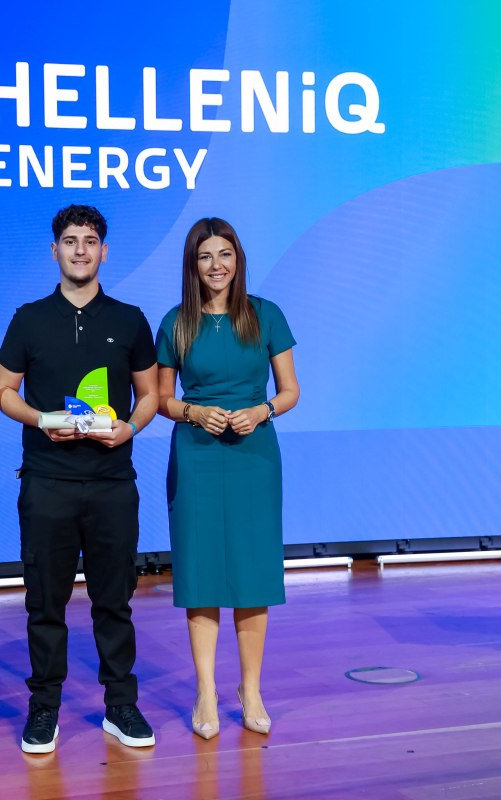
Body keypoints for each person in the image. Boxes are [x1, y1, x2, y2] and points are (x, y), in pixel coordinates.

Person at [0, 204, 159, 754]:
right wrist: (42, 419)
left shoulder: (130, 319)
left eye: (90, 241)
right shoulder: (29, 318)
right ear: (54, 251)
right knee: (45, 604)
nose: (80, 250)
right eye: (70, 241)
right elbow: (2, 392)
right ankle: (44, 708)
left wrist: (129, 428)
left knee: (115, 601)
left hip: (112, 482)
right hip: (47, 482)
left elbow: (150, 394)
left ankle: (120, 705)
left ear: (104, 251)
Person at [155, 217, 299, 740]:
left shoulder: (266, 315)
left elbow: (290, 391)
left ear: (237, 259)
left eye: (225, 254)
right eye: (205, 256)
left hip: (253, 457)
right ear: (192, 265)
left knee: (252, 572)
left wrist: (261, 411)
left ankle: (251, 690)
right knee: (202, 574)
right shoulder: (176, 322)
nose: (216, 265)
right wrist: (194, 412)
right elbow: (161, 399)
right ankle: (205, 691)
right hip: (196, 456)